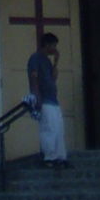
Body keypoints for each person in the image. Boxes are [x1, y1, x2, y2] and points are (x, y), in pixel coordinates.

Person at [27, 31, 69, 166]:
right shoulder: (35, 58)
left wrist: (56, 62)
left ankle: (60, 156)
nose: (55, 49)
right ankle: (49, 157)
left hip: (53, 99)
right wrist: (36, 95)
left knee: (58, 129)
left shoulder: (47, 61)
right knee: (48, 129)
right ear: (47, 45)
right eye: (53, 45)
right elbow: (33, 77)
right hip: (44, 99)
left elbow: (53, 78)